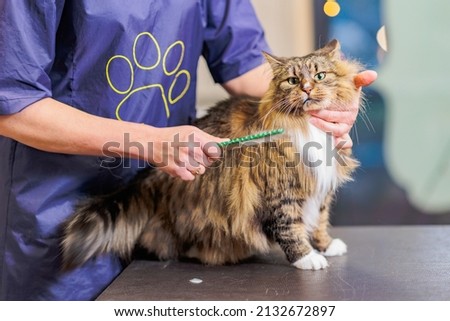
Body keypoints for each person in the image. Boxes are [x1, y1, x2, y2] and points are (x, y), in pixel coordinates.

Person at [0, 0, 376, 300]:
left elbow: (246, 68)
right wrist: (151, 142)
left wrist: (327, 106)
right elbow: (12, 104)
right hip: (57, 207)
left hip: (175, 206)